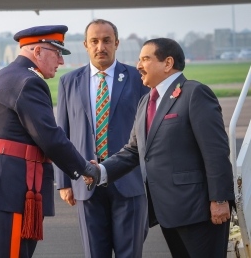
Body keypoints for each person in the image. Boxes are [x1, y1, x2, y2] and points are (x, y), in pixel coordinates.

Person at [86, 38, 235, 258]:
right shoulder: (146, 101)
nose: (138, 65)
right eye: (139, 59)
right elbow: (134, 151)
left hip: (199, 210)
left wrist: (220, 199)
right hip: (168, 210)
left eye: (145, 59)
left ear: (167, 63)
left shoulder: (194, 93)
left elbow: (216, 152)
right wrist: (101, 170)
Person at [0, 25, 100, 258]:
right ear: (38, 52)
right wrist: (85, 168)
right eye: (57, 53)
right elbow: (51, 137)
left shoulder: (2, 77)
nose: (61, 61)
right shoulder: (29, 82)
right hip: (11, 190)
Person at [54, 19, 149, 258]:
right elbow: (61, 135)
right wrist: (64, 182)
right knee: (95, 253)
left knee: (130, 253)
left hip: (130, 181)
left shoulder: (138, 79)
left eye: (107, 40)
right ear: (86, 45)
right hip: (86, 183)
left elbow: (150, 130)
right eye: (94, 41)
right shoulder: (69, 82)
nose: (101, 47)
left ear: (116, 43)